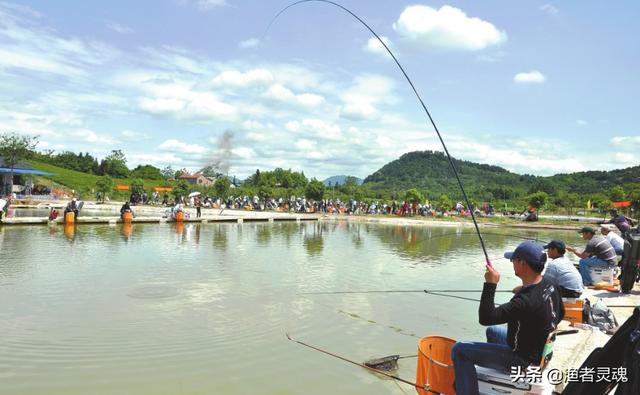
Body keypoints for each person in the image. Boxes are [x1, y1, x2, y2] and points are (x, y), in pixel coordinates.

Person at [451, 241, 564, 395]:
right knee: (493, 331)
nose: (512, 263)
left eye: (513, 260)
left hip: (523, 360)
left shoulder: (524, 302)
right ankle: (494, 375)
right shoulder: (550, 283)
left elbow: (486, 318)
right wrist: (524, 291)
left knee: (459, 350)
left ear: (522, 263)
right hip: (542, 353)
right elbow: (560, 313)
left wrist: (490, 284)